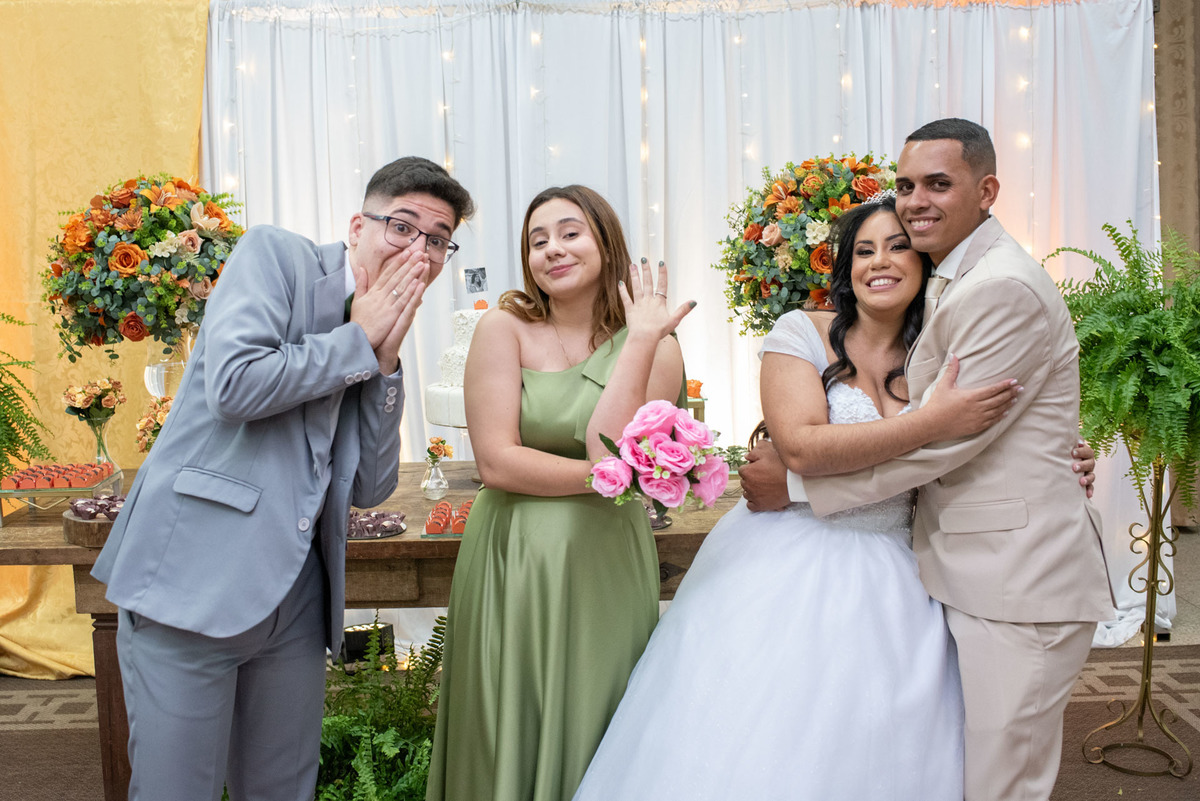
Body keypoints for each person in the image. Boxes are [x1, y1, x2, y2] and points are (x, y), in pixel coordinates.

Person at [574, 195, 1030, 800]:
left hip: (900, 566)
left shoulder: (939, 351)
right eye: (864, 250)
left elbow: (981, 435)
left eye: (898, 246)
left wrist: (1046, 462)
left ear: (925, 263)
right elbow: (803, 447)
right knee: (757, 728)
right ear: (845, 269)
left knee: (879, 736)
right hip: (785, 553)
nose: (880, 261)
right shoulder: (802, 332)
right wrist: (931, 423)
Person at [742, 119, 1113, 801]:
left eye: (938, 183)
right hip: (952, 570)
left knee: (1001, 783)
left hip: (1017, 580)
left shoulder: (997, 285)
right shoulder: (949, 282)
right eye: (907, 184)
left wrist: (797, 486)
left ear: (988, 188)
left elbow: (944, 440)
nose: (917, 202)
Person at [91, 157, 475, 801]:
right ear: (358, 226)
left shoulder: (377, 330)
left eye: (438, 239)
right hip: (193, 581)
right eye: (403, 226)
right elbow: (236, 386)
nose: (420, 250)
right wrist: (357, 341)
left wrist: (383, 364)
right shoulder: (277, 257)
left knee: (281, 789)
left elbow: (370, 488)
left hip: (296, 598)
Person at [426, 185, 694, 801]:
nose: (552, 249)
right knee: (504, 717)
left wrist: (642, 340)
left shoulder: (659, 345)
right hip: (512, 554)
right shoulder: (504, 328)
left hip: (604, 558)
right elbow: (497, 462)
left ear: (605, 240)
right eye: (537, 239)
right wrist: (608, 479)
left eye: (570, 232)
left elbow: (609, 447)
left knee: (600, 711)